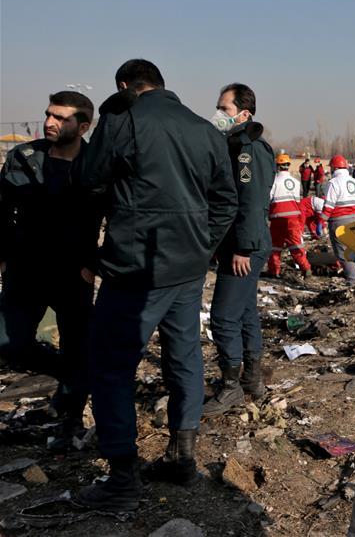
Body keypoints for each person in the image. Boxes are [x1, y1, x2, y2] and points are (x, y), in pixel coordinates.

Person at [75, 59, 237, 510]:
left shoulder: (121, 119)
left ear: (126, 86)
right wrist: (203, 246)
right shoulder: (203, 129)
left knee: (110, 367)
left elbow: (88, 180)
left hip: (135, 269)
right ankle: (182, 458)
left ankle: (122, 477)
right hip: (186, 268)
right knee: (184, 357)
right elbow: (226, 200)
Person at [0, 91, 100, 450]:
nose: (50, 123)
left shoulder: (96, 165)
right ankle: (71, 374)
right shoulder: (24, 157)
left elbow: (119, 218)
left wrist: (94, 264)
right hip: (24, 271)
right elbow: (2, 209)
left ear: (84, 126)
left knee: (76, 342)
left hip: (73, 274)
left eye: (61, 117)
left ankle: (70, 415)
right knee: (9, 342)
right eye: (48, 115)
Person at [203, 84, 275, 418]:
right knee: (245, 312)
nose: (218, 115)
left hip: (246, 245)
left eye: (225, 109)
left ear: (244, 114)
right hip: (240, 244)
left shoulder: (248, 149)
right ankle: (251, 380)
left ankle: (230, 386)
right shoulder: (234, 145)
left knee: (223, 317)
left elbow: (251, 199)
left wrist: (243, 248)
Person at [267, 154, 313, 278]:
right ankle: (305, 267)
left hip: (278, 218)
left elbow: (269, 199)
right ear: (288, 166)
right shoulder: (296, 182)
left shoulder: (273, 181)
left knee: (275, 246)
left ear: (277, 166)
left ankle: (274, 271)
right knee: (296, 244)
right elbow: (297, 201)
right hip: (294, 217)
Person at [320, 155, 355, 284]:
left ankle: (352, 280)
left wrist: (322, 221)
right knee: (353, 248)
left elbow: (329, 205)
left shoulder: (333, 183)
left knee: (342, 252)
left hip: (339, 220)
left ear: (334, 168)